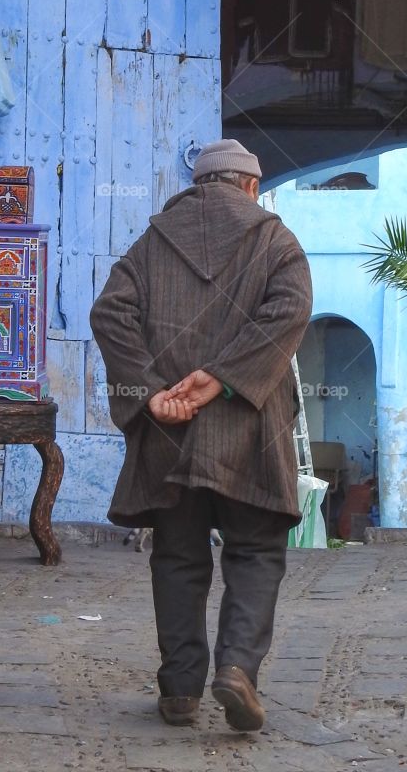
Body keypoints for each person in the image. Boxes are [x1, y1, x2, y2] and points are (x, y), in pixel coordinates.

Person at [89, 139, 313, 732]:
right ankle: (237, 669)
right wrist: (222, 379)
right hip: (250, 432)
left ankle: (181, 688)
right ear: (249, 186)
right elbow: (290, 312)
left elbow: (109, 312)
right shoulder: (276, 240)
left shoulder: (153, 242)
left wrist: (151, 390)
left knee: (180, 555)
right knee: (256, 550)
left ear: (199, 184)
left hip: (172, 432)